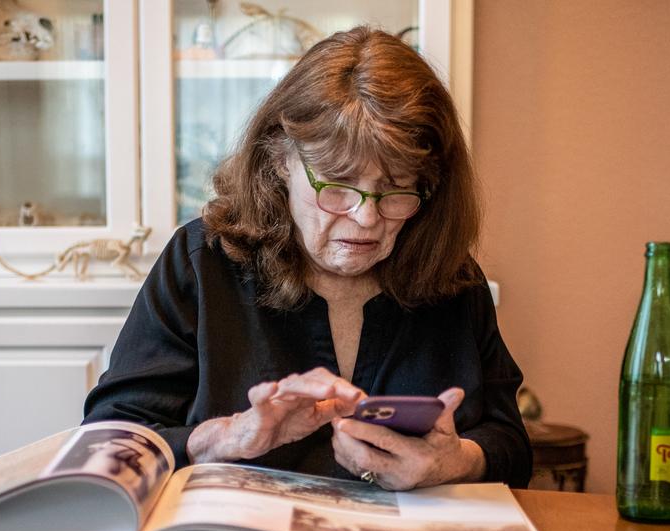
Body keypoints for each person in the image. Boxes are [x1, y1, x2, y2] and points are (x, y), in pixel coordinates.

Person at [84, 26, 532, 490]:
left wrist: (457, 461)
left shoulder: (452, 278)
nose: (365, 219)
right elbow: (109, 437)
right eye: (337, 186)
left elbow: (510, 443)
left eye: (397, 190)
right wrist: (221, 439)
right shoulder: (202, 262)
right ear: (281, 160)